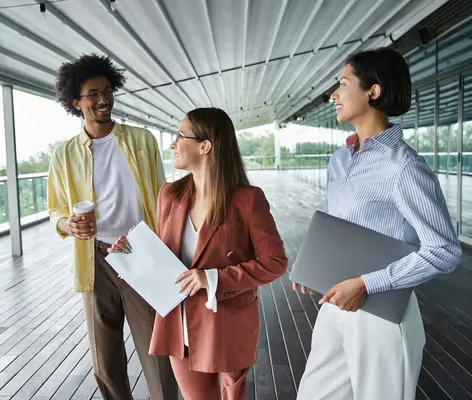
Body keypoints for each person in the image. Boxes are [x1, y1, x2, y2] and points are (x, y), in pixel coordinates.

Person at [293, 47, 461, 399]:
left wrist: (367, 284)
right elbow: (338, 230)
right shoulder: (340, 161)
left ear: (374, 91)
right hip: (336, 304)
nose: (333, 95)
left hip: (382, 317)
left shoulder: (403, 167)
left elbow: (444, 251)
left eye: (342, 84)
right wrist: (316, 269)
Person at [108, 107, 288, 400]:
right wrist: (130, 254)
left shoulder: (247, 199)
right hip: (179, 323)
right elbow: (165, 255)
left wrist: (213, 278)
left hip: (226, 322)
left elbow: (276, 262)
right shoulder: (170, 195)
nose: (172, 143)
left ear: (205, 146)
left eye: (179, 136)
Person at [47, 53, 177, 400]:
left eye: (107, 91)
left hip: (140, 250)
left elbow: (163, 195)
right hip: (94, 258)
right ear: (76, 102)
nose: (103, 99)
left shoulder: (141, 140)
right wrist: (68, 224)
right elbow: (54, 209)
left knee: (158, 352)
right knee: (105, 359)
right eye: (93, 94)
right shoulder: (64, 155)